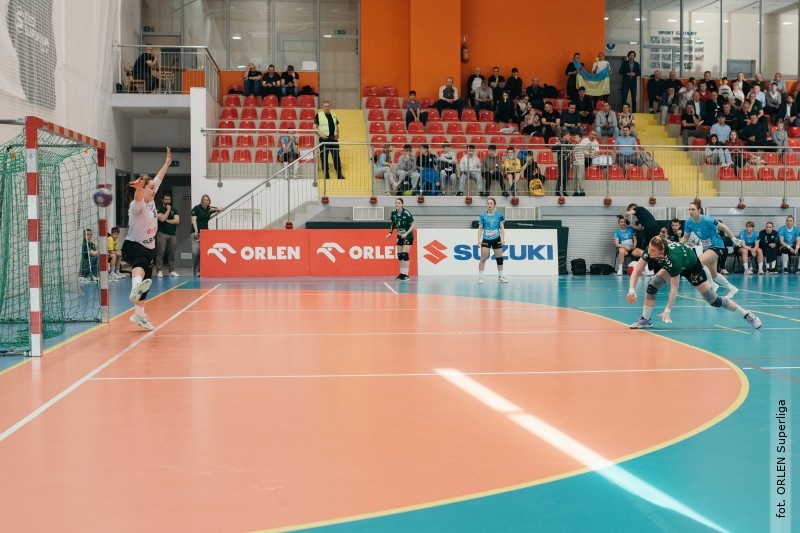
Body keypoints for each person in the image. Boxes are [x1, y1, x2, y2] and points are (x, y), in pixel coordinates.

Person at [626, 235, 761, 330]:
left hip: (691, 267)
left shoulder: (673, 259)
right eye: (649, 248)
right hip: (675, 262)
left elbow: (674, 289)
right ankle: (645, 320)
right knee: (652, 286)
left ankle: (747, 315)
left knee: (714, 300)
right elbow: (637, 270)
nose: (649, 252)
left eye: (653, 250)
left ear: (661, 251)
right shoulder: (651, 250)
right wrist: (631, 290)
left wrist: (667, 310)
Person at [122, 148, 172, 331]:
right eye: (151, 188)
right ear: (142, 189)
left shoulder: (151, 200)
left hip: (149, 247)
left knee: (146, 285)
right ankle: (135, 286)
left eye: (153, 187)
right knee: (141, 262)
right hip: (133, 246)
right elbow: (138, 198)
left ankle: (139, 315)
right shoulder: (137, 206)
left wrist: (167, 164)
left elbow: (157, 179)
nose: (154, 190)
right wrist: (138, 188)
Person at [680, 199, 740, 297]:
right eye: (689, 209)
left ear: (699, 210)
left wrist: (733, 238)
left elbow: (723, 227)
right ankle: (732, 288)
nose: (690, 211)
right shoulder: (688, 222)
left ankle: (712, 284)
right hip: (707, 248)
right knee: (714, 274)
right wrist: (679, 246)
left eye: (693, 209)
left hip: (717, 246)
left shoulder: (708, 220)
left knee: (699, 262)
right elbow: (685, 237)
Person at [477, 197, 508, 284]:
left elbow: (502, 227)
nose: (489, 205)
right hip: (486, 239)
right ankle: (481, 278)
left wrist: (503, 238)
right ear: (486, 205)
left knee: (499, 258)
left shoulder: (499, 215)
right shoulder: (483, 216)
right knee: (483, 258)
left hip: (496, 238)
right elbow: (480, 228)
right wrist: (479, 240)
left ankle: (500, 277)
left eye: (491, 203)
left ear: (494, 205)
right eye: (488, 203)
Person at [191, 193, 221, 278]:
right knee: (195, 252)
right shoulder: (196, 208)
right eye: (204, 200)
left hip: (205, 233)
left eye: (207, 200)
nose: (206, 201)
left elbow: (220, 209)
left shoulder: (208, 209)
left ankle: (198, 271)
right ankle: (194, 269)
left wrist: (214, 209)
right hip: (195, 232)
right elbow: (194, 220)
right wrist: (196, 231)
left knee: (202, 252)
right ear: (202, 201)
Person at [386, 198, 415, 280]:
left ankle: (406, 275)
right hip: (399, 235)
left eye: (399, 203)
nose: (397, 204)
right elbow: (393, 223)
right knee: (400, 255)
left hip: (408, 236)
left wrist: (406, 233)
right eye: (396, 202)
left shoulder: (406, 213)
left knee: (405, 254)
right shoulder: (393, 212)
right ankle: (402, 274)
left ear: (402, 204)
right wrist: (390, 233)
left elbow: (413, 224)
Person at [314, 100, 345, 180]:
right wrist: (321, 135)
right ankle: (326, 175)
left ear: (330, 107)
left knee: (336, 157)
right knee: (324, 158)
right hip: (324, 141)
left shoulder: (334, 115)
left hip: (333, 140)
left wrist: (338, 134)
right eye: (325, 106)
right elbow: (314, 128)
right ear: (322, 107)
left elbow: (336, 126)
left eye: (328, 106)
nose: (327, 108)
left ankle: (339, 174)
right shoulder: (319, 115)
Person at [155, 191, 180, 278]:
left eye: (169, 199)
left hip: (172, 234)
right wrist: (168, 210)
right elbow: (162, 218)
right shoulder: (158, 209)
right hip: (162, 234)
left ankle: (171, 271)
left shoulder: (174, 209)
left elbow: (177, 221)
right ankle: (159, 271)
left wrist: (168, 220)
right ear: (162, 200)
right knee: (160, 253)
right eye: (166, 199)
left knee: (171, 253)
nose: (168, 201)